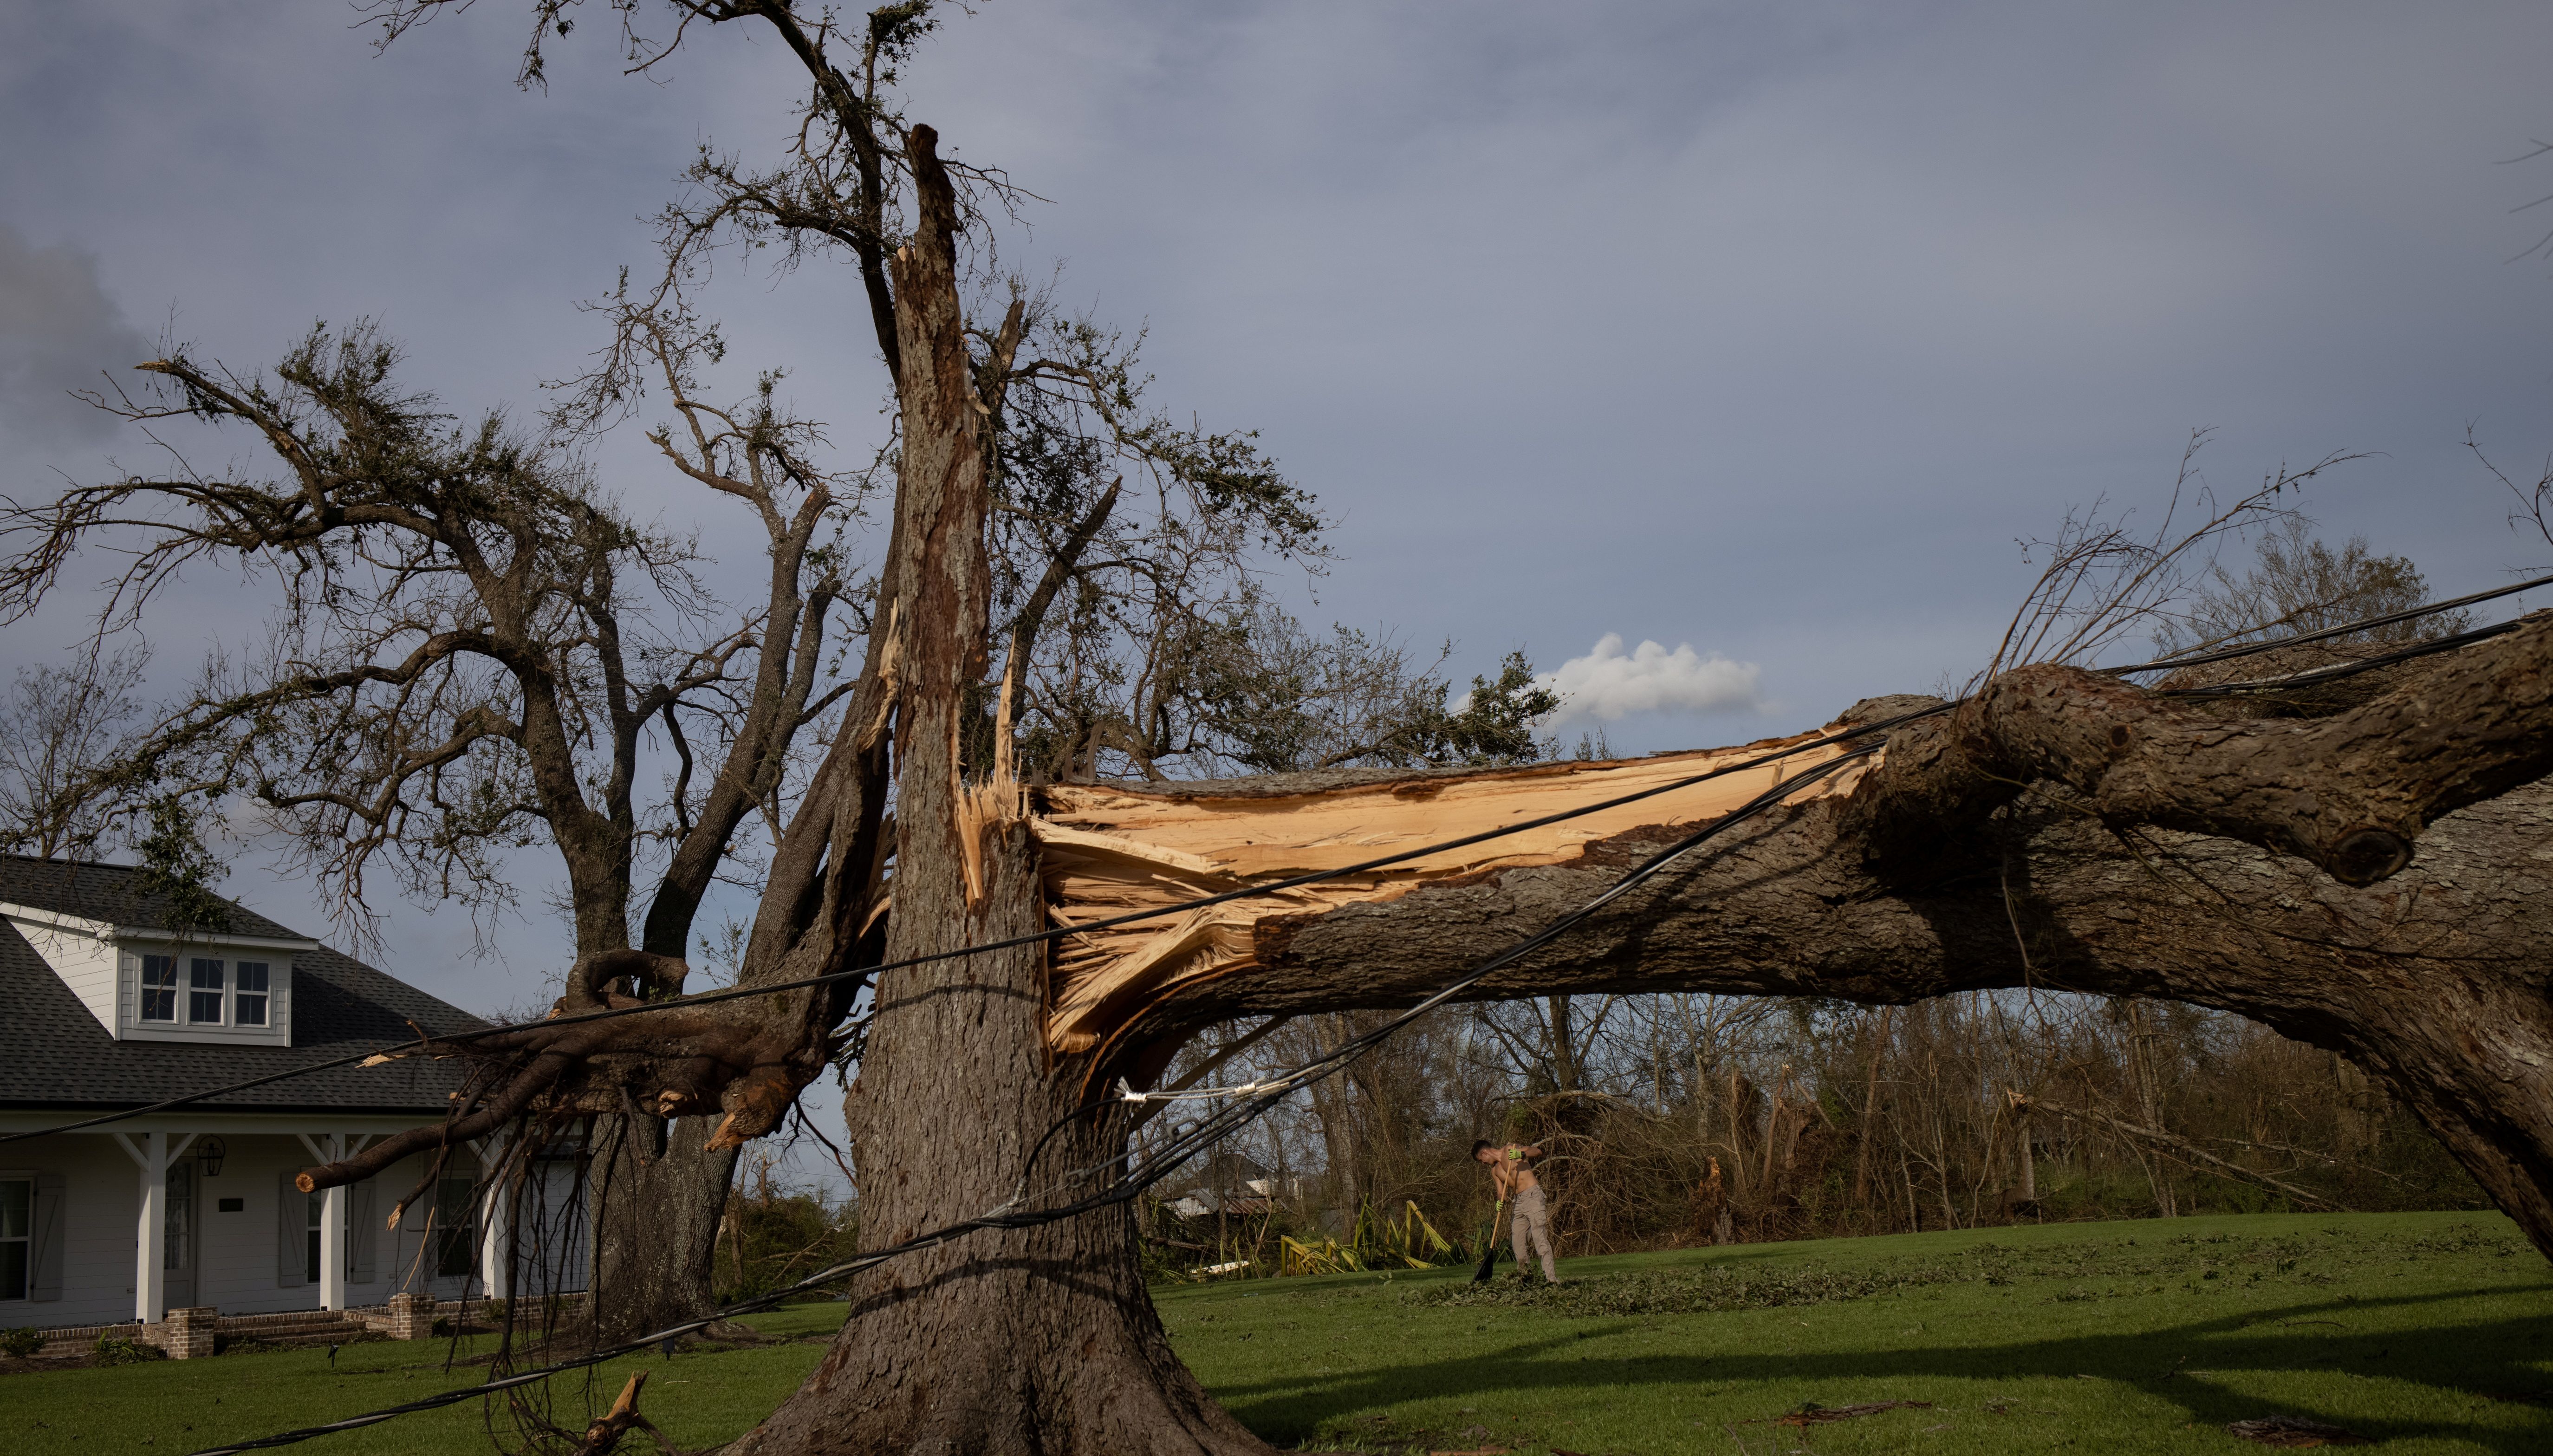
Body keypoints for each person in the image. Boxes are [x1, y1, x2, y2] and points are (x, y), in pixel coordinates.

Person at [1474, 1138, 1558, 1283]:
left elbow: (1537, 1151)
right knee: (1517, 1243)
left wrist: (1521, 1155)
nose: (1483, 1164)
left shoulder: (1510, 1149)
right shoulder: (1495, 1171)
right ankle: (1527, 1280)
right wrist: (1499, 1201)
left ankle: (1551, 1280)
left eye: (1481, 1160)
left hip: (1533, 1195)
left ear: (1485, 1153)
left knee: (1540, 1240)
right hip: (1517, 1202)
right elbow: (1500, 1192)